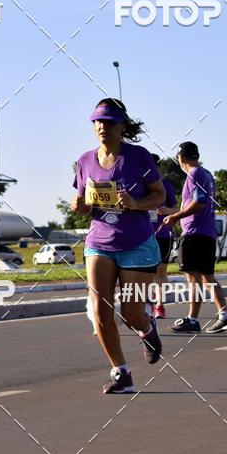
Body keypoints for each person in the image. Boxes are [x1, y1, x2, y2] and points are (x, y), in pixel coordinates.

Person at [71, 99, 166, 394]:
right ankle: (121, 372)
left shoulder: (139, 157)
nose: (103, 126)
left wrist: (136, 203)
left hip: (136, 243)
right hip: (99, 242)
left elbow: (159, 196)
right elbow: (82, 202)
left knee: (130, 315)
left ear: (122, 125)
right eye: (98, 122)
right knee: (100, 311)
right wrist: (78, 206)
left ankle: (147, 328)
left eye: (110, 121)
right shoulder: (85, 161)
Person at [163, 141, 227, 334]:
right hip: (207, 233)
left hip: (195, 234)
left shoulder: (194, 174)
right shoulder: (207, 174)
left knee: (192, 277)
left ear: (181, 157)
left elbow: (199, 203)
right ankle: (224, 315)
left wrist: (175, 217)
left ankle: (193, 320)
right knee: (207, 277)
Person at [149, 154, 178, 319]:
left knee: (160, 271)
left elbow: (177, 209)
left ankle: (160, 305)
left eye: (153, 166)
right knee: (144, 272)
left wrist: (166, 210)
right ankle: (148, 304)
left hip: (162, 235)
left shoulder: (166, 185)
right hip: (142, 236)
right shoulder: (138, 186)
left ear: (158, 167)